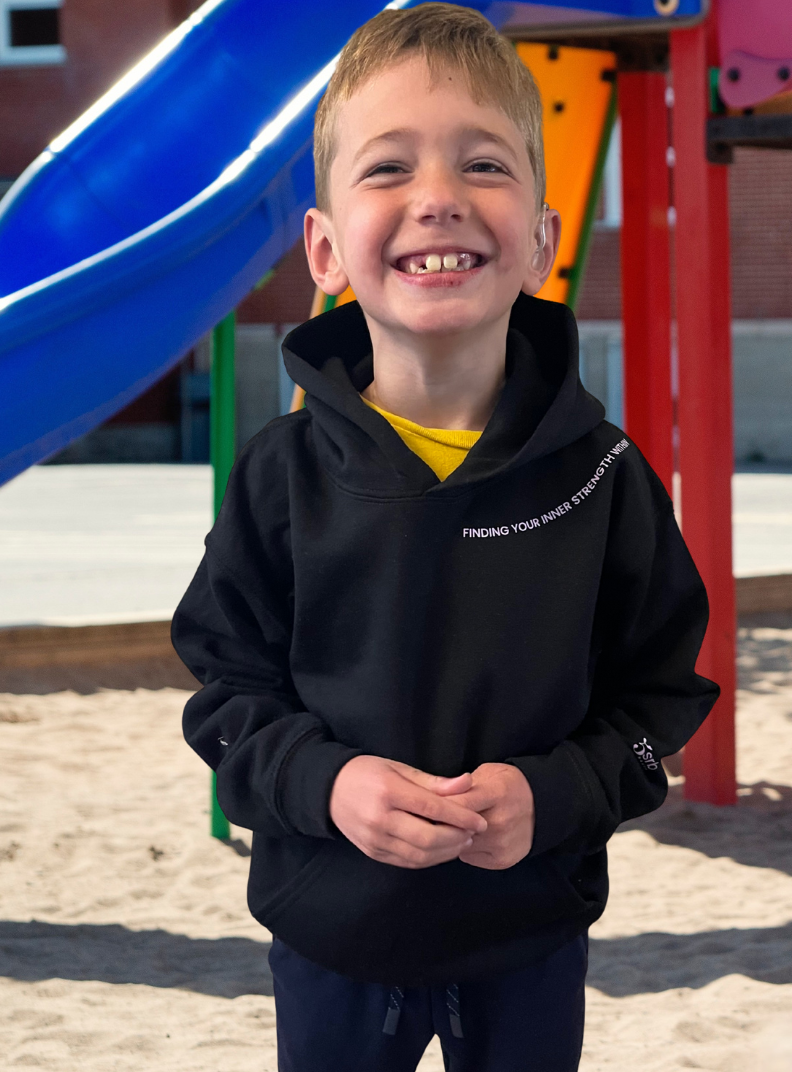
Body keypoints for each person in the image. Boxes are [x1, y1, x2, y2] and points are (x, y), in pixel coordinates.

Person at [171, 5, 718, 1070]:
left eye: (482, 163)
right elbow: (225, 700)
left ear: (542, 241)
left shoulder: (605, 478)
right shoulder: (280, 480)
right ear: (324, 247)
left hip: (529, 937)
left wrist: (555, 793)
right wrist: (326, 784)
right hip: (329, 933)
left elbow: (661, 702)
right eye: (386, 169)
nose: (437, 199)